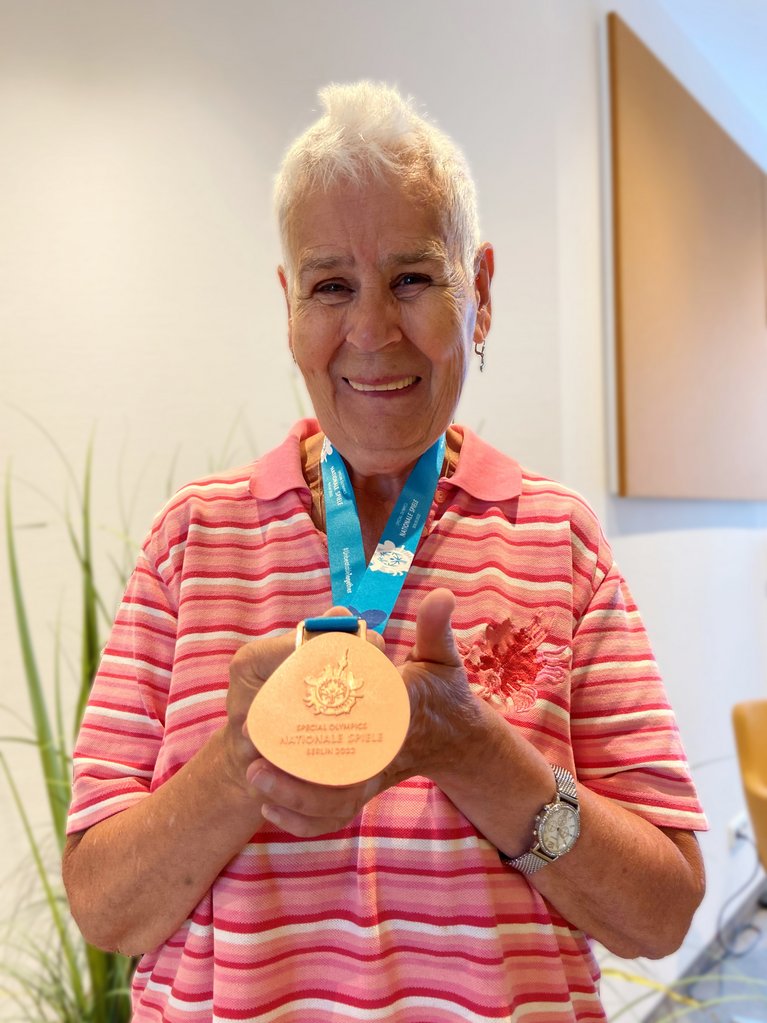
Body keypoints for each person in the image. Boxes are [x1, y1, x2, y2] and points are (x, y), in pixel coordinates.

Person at [63, 81, 707, 1022]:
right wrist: (239, 758)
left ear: (476, 294)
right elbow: (103, 908)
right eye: (330, 286)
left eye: (412, 278)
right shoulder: (188, 541)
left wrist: (474, 750)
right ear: (290, 307)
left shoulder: (558, 540)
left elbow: (661, 913)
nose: (369, 333)